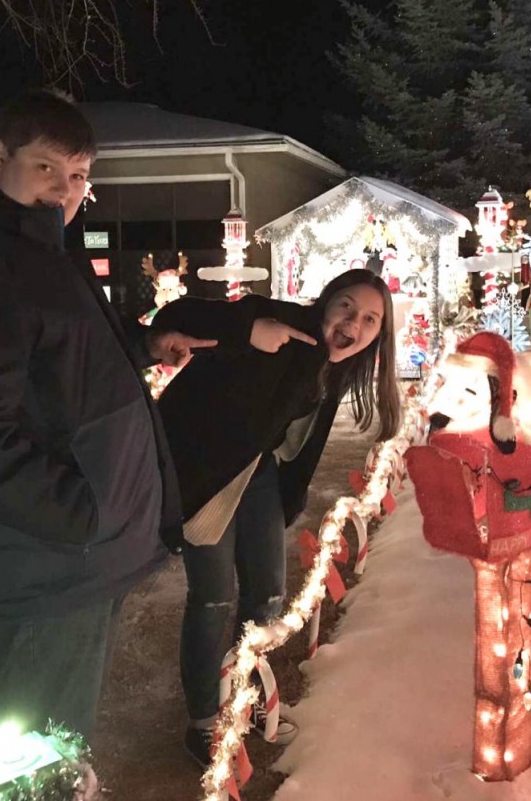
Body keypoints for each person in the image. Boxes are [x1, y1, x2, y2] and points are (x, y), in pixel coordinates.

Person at [0, 89, 214, 750]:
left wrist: (142, 346)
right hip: (45, 569)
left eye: (78, 175)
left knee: (52, 751)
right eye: (46, 167)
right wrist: (81, 518)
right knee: (36, 757)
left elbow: (53, 355)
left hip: (73, 561)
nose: (64, 190)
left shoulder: (38, 254)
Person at [152, 268, 401, 768]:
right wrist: (248, 328)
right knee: (213, 596)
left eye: (370, 319)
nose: (354, 321)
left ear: (378, 336)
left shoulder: (334, 367)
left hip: (259, 474)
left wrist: (288, 499)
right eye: (347, 306)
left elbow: (297, 445)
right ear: (325, 303)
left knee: (266, 592)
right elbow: (176, 316)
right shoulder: (280, 323)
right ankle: (204, 721)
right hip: (207, 473)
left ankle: (243, 700)